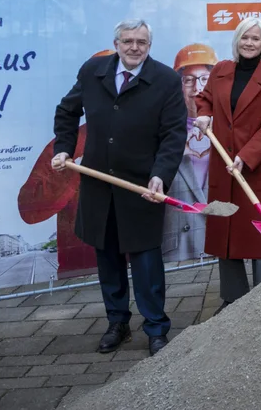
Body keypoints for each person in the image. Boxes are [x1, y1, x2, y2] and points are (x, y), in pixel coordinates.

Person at [52, 20, 186, 356]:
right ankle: (118, 323)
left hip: (141, 188)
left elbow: (173, 135)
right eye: (128, 41)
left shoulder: (166, 81)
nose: (134, 47)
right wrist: (64, 148)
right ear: (116, 43)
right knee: (108, 260)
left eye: (141, 41)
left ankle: (156, 328)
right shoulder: (93, 71)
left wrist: (160, 175)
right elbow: (67, 111)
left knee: (146, 265)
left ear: (149, 45)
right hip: (99, 186)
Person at [194, 16, 261, 308]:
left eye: (255, 38)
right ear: (237, 40)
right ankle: (233, 300)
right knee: (227, 233)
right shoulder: (221, 70)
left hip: (259, 170)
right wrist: (204, 113)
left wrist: (246, 157)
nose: (249, 43)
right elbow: (205, 98)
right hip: (224, 167)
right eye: (245, 38)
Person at [162, 43, 219, 263]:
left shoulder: (228, 130)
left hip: (218, 239)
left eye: (204, 79)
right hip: (180, 247)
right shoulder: (165, 130)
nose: (197, 88)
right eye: (189, 80)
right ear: (179, 86)